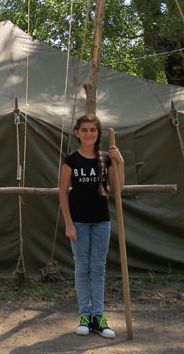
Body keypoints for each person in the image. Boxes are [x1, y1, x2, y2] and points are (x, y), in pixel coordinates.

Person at [58, 113, 125, 339]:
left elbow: (116, 189)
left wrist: (120, 162)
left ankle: (99, 317)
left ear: (98, 133)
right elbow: (62, 192)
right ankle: (85, 316)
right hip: (78, 220)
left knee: (98, 268)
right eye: (84, 130)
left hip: (101, 220)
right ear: (77, 133)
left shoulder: (106, 159)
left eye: (93, 130)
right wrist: (68, 223)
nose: (89, 134)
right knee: (82, 267)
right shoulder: (71, 161)